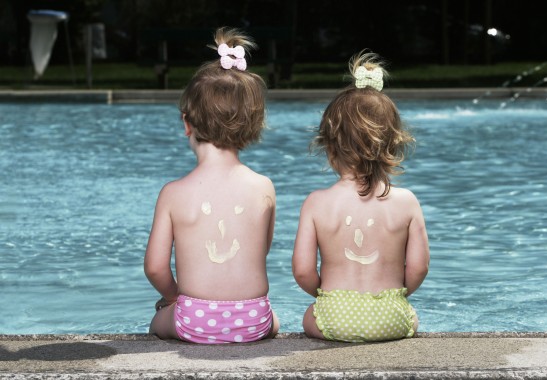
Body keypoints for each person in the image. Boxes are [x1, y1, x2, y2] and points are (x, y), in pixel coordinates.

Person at [144, 27, 279, 344]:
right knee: (275, 319)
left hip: (194, 321)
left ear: (186, 122)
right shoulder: (264, 187)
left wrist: (174, 297)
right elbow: (260, 250)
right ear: (252, 125)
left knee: (157, 321)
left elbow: (155, 267)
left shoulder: (173, 194)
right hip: (255, 319)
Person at [292, 50, 430, 343]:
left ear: (329, 149)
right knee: (413, 316)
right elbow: (418, 267)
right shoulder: (407, 202)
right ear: (393, 146)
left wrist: (326, 295)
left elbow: (303, 271)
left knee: (308, 316)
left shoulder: (317, 203)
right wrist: (398, 295)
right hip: (390, 317)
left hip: (335, 316)